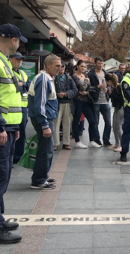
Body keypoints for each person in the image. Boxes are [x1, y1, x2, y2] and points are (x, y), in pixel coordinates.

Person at [0, 23, 26, 244]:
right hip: (2, 129)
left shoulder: (4, 62)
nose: (18, 44)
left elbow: (11, 97)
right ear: (11, 39)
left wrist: (14, 127)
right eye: (18, 39)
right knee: (0, 176)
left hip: (9, 128)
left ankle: (0, 220)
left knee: (4, 176)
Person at [28, 54, 61, 189]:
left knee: (47, 149)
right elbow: (39, 105)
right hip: (44, 119)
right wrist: (44, 125)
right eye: (57, 65)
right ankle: (38, 180)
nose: (59, 68)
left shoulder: (47, 78)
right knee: (45, 150)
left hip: (45, 118)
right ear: (48, 65)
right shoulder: (43, 79)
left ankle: (42, 176)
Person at [71, 60, 100, 149]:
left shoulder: (85, 76)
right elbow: (81, 86)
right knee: (76, 121)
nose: (83, 68)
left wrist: (87, 92)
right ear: (77, 66)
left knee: (92, 121)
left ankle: (92, 140)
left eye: (85, 67)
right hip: (77, 101)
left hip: (86, 100)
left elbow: (88, 88)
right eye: (82, 66)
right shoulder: (74, 77)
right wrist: (86, 81)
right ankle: (77, 141)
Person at [9, 52, 30, 163]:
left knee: (21, 133)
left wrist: (23, 85)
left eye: (21, 60)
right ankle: (10, 156)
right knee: (10, 134)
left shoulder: (22, 73)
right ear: (10, 59)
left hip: (23, 108)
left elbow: (29, 85)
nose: (20, 61)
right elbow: (14, 87)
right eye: (18, 59)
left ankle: (18, 157)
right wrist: (21, 86)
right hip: (11, 108)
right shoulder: (8, 71)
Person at [52, 61, 78, 151]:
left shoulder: (69, 78)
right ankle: (55, 143)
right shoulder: (53, 78)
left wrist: (66, 94)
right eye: (59, 67)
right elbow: (50, 90)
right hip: (57, 103)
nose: (61, 69)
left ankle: (66, 143)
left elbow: (75, 90)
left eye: (62, 67)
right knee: (56, 123)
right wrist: (57, 94)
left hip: (68, 103)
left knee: (67, 123)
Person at [88, 56, 111, 147]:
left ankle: (106, 139)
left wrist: (108, 89)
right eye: (99, 63)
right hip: (96, 101)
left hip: (105, 100)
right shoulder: (91, 74)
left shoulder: (106, 73)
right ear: (95, 63)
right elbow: (88, 87)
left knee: (108, 122)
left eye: (102, 63)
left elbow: (110, 85)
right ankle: (97, 139)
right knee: (95, 122)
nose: (101, 65)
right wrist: (98, 87)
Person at [107, 73, 124, 152]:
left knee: (118, 127)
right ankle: (117, 143)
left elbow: (122, 99)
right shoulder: (114, 87)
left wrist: (112, 94)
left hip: (121, 108)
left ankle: (122, 145)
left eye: (107, 82)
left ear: (110, 81)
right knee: (114, 126)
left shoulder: (118, 87)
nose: (107, 84)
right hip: (117, 108)